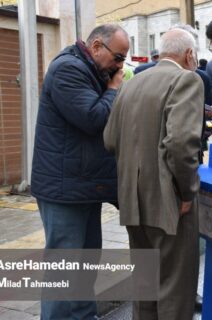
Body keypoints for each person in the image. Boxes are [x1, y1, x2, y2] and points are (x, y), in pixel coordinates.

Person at [104, 28, 203, 320]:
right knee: (174, 288)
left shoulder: (131, 84)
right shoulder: (186, 79)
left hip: (132, 200)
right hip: (169, 202)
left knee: (145, 286)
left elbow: (109, 139)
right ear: (189, 54)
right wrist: (186, 193)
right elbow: (181, 145)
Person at [31, 24, 129, 320]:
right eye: (118, 57)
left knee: (86, 264)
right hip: (64, 190)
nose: (120, 65)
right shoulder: (68, 70)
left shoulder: (91, 70)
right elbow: (93, 118)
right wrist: (113, 90)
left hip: (83, 186)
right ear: (96, 46)